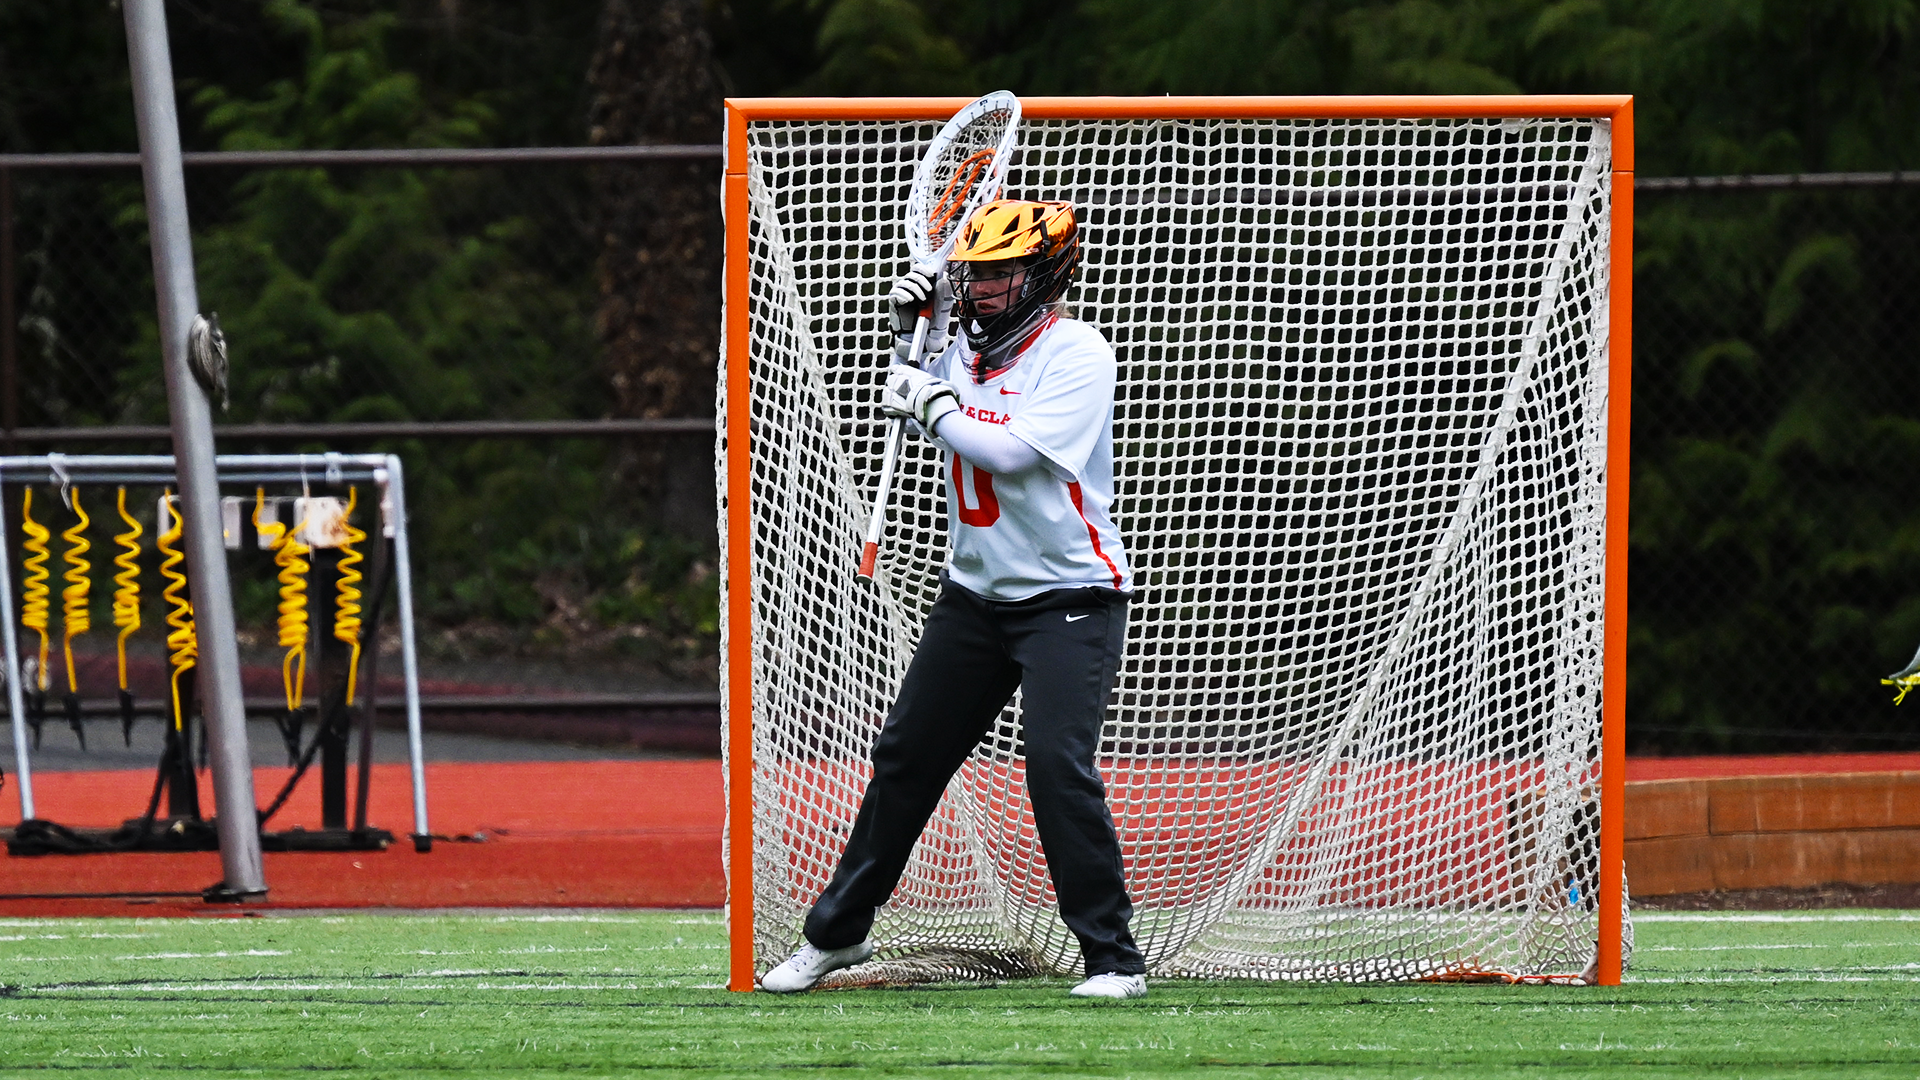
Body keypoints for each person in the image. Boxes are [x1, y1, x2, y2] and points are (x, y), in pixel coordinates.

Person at [760, 199, 1146, 1000]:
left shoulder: (1077, 352)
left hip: (1068, 596)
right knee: (907, 757)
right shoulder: (956, 349)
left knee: (1055, 768)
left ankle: (1112, 958)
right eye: (977, 272)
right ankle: (839, 933)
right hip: (974, 597)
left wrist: (929, 397)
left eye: (1006, 271)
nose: (987, 287)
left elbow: (1005, 451)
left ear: (1046, 274)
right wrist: (912, 332)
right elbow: (919, 384)